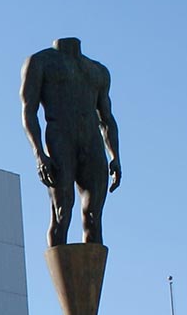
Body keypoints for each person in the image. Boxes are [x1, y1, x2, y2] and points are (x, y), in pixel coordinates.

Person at [20, 36, 120, 246]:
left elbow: (107, 118)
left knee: (94, 216)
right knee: (62, 211)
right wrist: (39, 154)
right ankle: (61, 276)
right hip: (60, 138)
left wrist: (115, 157)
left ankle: (89, 278)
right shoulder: (41, 62)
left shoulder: (97, 71)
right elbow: (29, 111)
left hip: (92, 142)